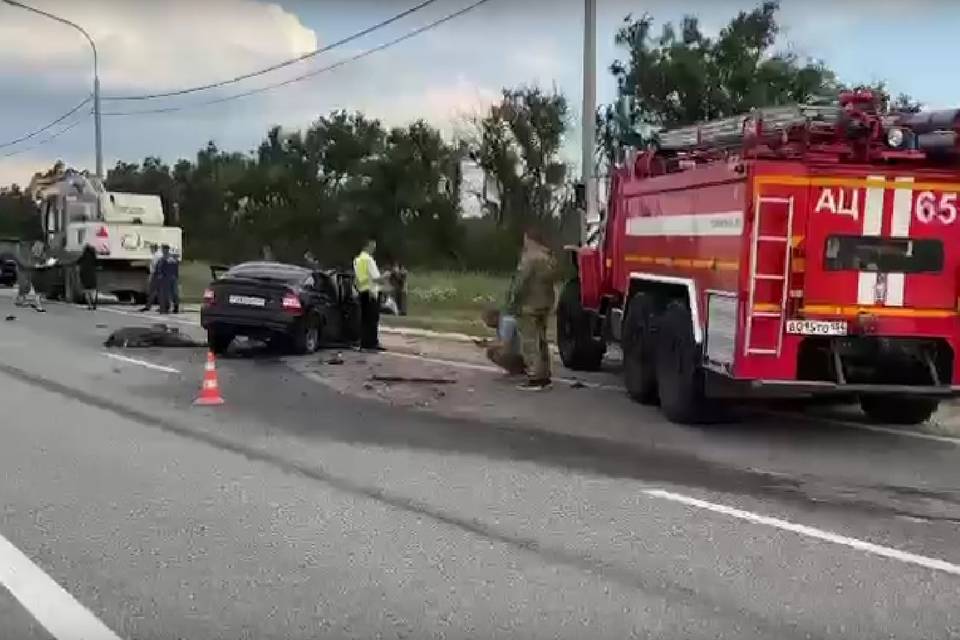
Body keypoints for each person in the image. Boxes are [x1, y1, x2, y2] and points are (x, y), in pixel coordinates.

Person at [508, 227, 556, 391]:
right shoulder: (548, 257)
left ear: (530, 239)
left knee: (529, 341)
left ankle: (535, 377)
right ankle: (545, 374)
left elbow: (521, 282)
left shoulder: (530, 258)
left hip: (529, 304)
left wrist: (513, 301)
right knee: (542, 340)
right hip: (545, 303)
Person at [353, 238, 386, 351]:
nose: (374, 249)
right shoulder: (368, 260)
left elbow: (359, 278)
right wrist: (385, 276)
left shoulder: (357, 260)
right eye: (373, 247)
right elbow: (376, 278)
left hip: (362, 291)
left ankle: (364, 343)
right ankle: (372, 343)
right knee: (373, 320)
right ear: (367, 246)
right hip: (371, 292)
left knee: (365, 319)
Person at [156, 244, 180, 314]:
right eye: (163, 249)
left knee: (170, 293)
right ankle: (172, 307)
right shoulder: (170, 258)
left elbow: (160, 268)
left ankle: (171, 307)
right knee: (172, 293)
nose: (163, 250)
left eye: (164, 249)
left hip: (168, 278)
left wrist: (160, 276)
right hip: (170, 277)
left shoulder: (164, 258)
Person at [140, 243, 162, 311]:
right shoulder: (157, 255)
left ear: (154, 248)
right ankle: (149, 306)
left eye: (151, 248)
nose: (150, 250)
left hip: (157, 275)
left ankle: (148, 306)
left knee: (154, 291)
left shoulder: (157, 256)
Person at [77, 244, 98, 310]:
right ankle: (94, 302)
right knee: (93, 291)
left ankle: (89, 306)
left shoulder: (83, 257)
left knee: (86, 292)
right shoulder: (93, 257)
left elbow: (77, 263)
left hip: (85, 276)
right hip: (92, 276)